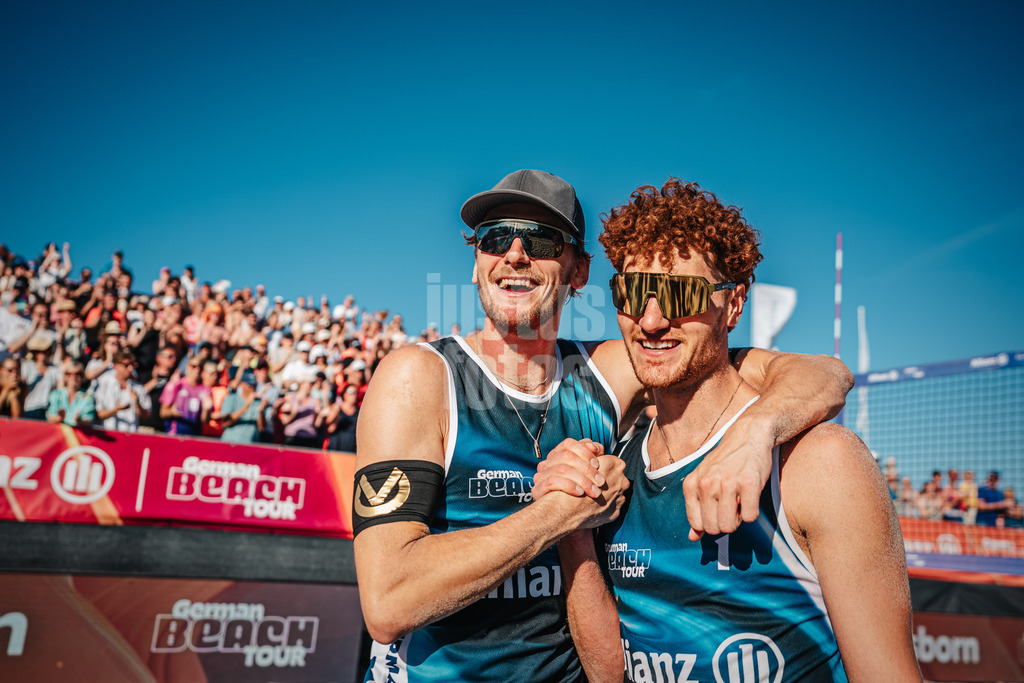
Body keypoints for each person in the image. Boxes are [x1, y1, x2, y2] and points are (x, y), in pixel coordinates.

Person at [353, 170, 852, 681]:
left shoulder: (612, 370)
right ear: (477, 262)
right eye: (496, 237)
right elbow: (389, 602)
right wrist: (560, 515)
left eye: (542, 239)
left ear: (579, 271)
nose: (515, 253)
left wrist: (756, 430)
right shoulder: (420, 378)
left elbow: (823, 373)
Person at [537, 178, 919, 681]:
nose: (651, 320)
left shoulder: (819, 463)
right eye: (633, 292)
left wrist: (756, 432)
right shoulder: (617, 467)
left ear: (733, 306)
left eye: (680, 295)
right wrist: (572, 526)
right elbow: (611, 673)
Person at [92, 349, 152, 433]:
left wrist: (137, 404)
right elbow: (99, 413)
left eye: (132, 365)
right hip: (109, 435)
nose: (130, 368)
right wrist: (116, 409)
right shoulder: (104, 383)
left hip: (131, 436)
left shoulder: (138, 388)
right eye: (126, 365)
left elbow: (146, 415)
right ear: (115, 366)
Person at [46, 361, 95, 427]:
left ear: (82, 377)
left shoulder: (88, 397)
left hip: (77, 435)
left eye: (77, 374)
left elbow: (88, 420)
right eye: (69, 374)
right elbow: (50, 417)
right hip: (58, 434)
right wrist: (59, 417)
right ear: (65, 376)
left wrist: (79, 421)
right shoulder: (55, 394)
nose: (73, 377)